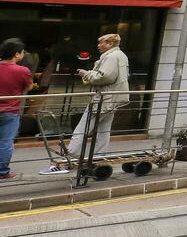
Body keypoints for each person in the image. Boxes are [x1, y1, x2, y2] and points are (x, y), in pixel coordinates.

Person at [41, 33, 129, 174]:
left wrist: (86, 74)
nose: (99, 45)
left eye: (102, 43)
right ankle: (98, 159)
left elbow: (105, 77)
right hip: (111, 99)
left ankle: (66, 163)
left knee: (81, 130)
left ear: (110, 44)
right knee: (103, 131)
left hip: (102, 100)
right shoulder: (120, 55)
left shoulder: (112, 57)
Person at [0, 38, 35, 182]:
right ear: (16, 54)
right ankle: (2, 171)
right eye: (21, 53)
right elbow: (29, 87)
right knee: (5, 142)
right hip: (10, 111)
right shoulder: (22, 70)